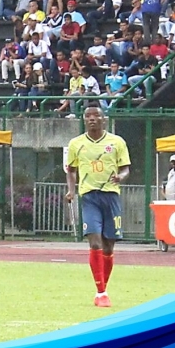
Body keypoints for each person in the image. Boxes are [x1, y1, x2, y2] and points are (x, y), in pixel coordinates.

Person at [66, 105, 131, 308]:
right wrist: (71, 189)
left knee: (109, 245)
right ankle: (101, 292)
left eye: (96, 116)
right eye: (88, 116)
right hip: (89, 196)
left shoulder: (117, 141)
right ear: (84, 120)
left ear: (104, 119)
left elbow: (125, 167)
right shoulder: (76, 144)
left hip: (111, 196)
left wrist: (120, 177)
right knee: (95, 242)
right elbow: (71, 170)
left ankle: (103, 287)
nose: (92, 119)